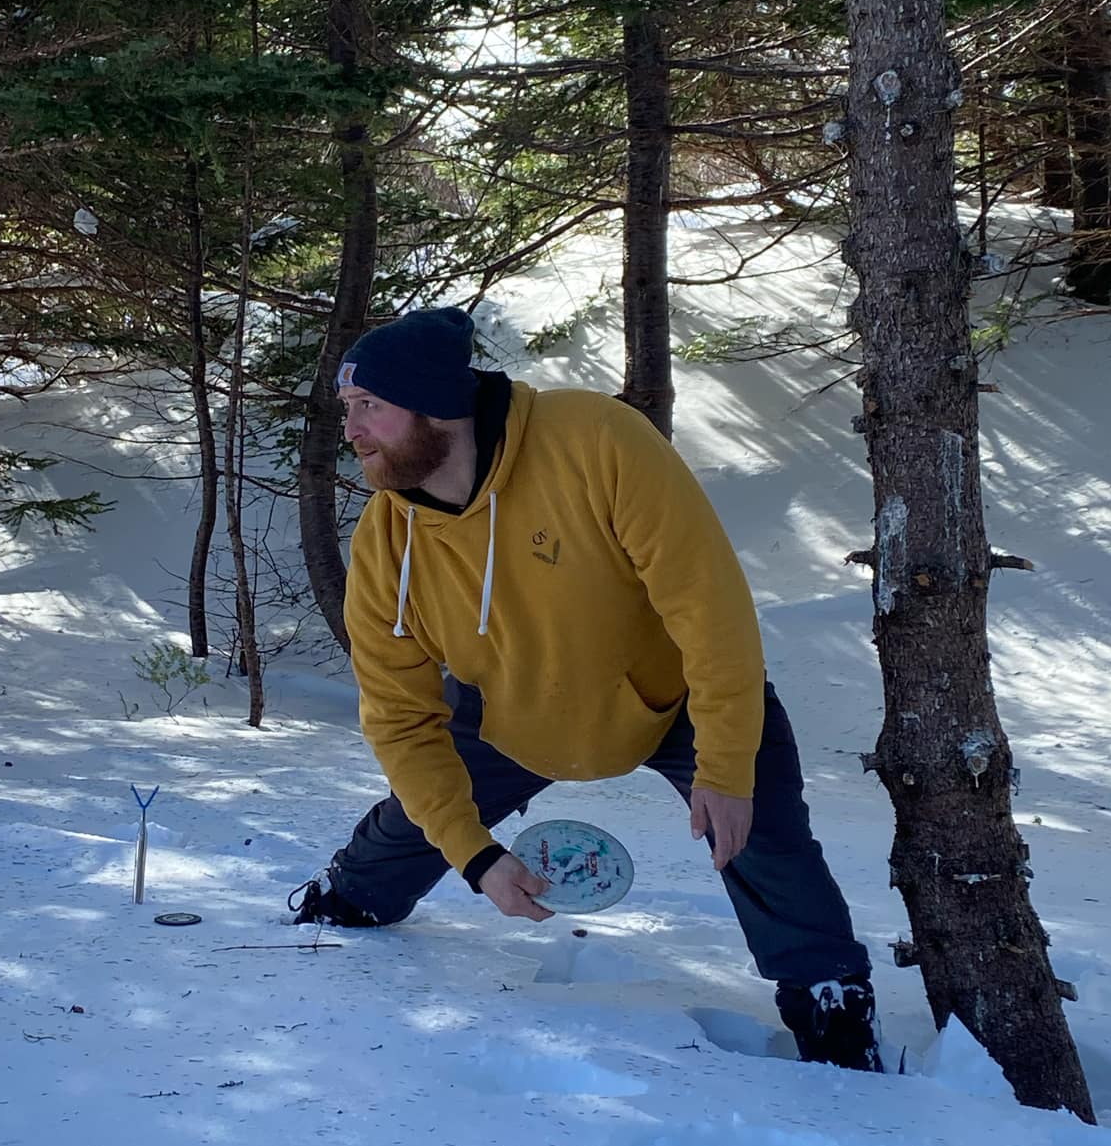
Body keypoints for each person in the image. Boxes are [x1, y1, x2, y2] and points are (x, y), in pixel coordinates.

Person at [290, 306, 882, 1072]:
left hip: (676, 699)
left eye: (369, 406)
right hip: (512, 714)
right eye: (347, 410)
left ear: (437, 405)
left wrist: (728, 767)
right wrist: (476, 859)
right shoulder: (385, 540)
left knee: (763, 837)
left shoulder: (596, 441)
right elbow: (401, 720)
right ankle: (349, 892)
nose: (352, 430)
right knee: (418, 822)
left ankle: (831, 1003)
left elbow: (710, 610)